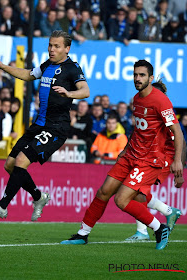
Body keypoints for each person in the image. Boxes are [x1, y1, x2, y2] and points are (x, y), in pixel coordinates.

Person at [61, 60, 184, 250]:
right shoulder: (136, 99)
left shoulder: (160, 101)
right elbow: (138, 130)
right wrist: (125, 150)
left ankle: (159, 228)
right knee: (103, 192)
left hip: (148, 160)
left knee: (122, 199)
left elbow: (177, 130)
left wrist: (177, 161)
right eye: (135, 74)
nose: (137, 78)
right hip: (131, 155)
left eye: (142, 75)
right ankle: (82, 234)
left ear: (151, 78)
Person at [0, 30, 90, 221]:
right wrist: (1, 66)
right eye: (50, 45)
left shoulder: (72, 68)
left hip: (56, 127)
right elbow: (28, 75)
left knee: (21, 162)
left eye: (56, 46)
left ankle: (2, 206)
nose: (51, 49)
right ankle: (38, 197)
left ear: (67, 48)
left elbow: (85, 90)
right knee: (10, 165)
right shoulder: (48, 64)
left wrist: (69, 93)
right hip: (39, 125)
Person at [125, 79, 184, 241]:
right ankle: (168, 211)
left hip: (163, 160)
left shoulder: (165, 113)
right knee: (134, 192)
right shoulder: (147, 111)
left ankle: (142, 231)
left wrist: (178, 167)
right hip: (148, 158)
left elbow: (181, 140)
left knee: (136, 191)